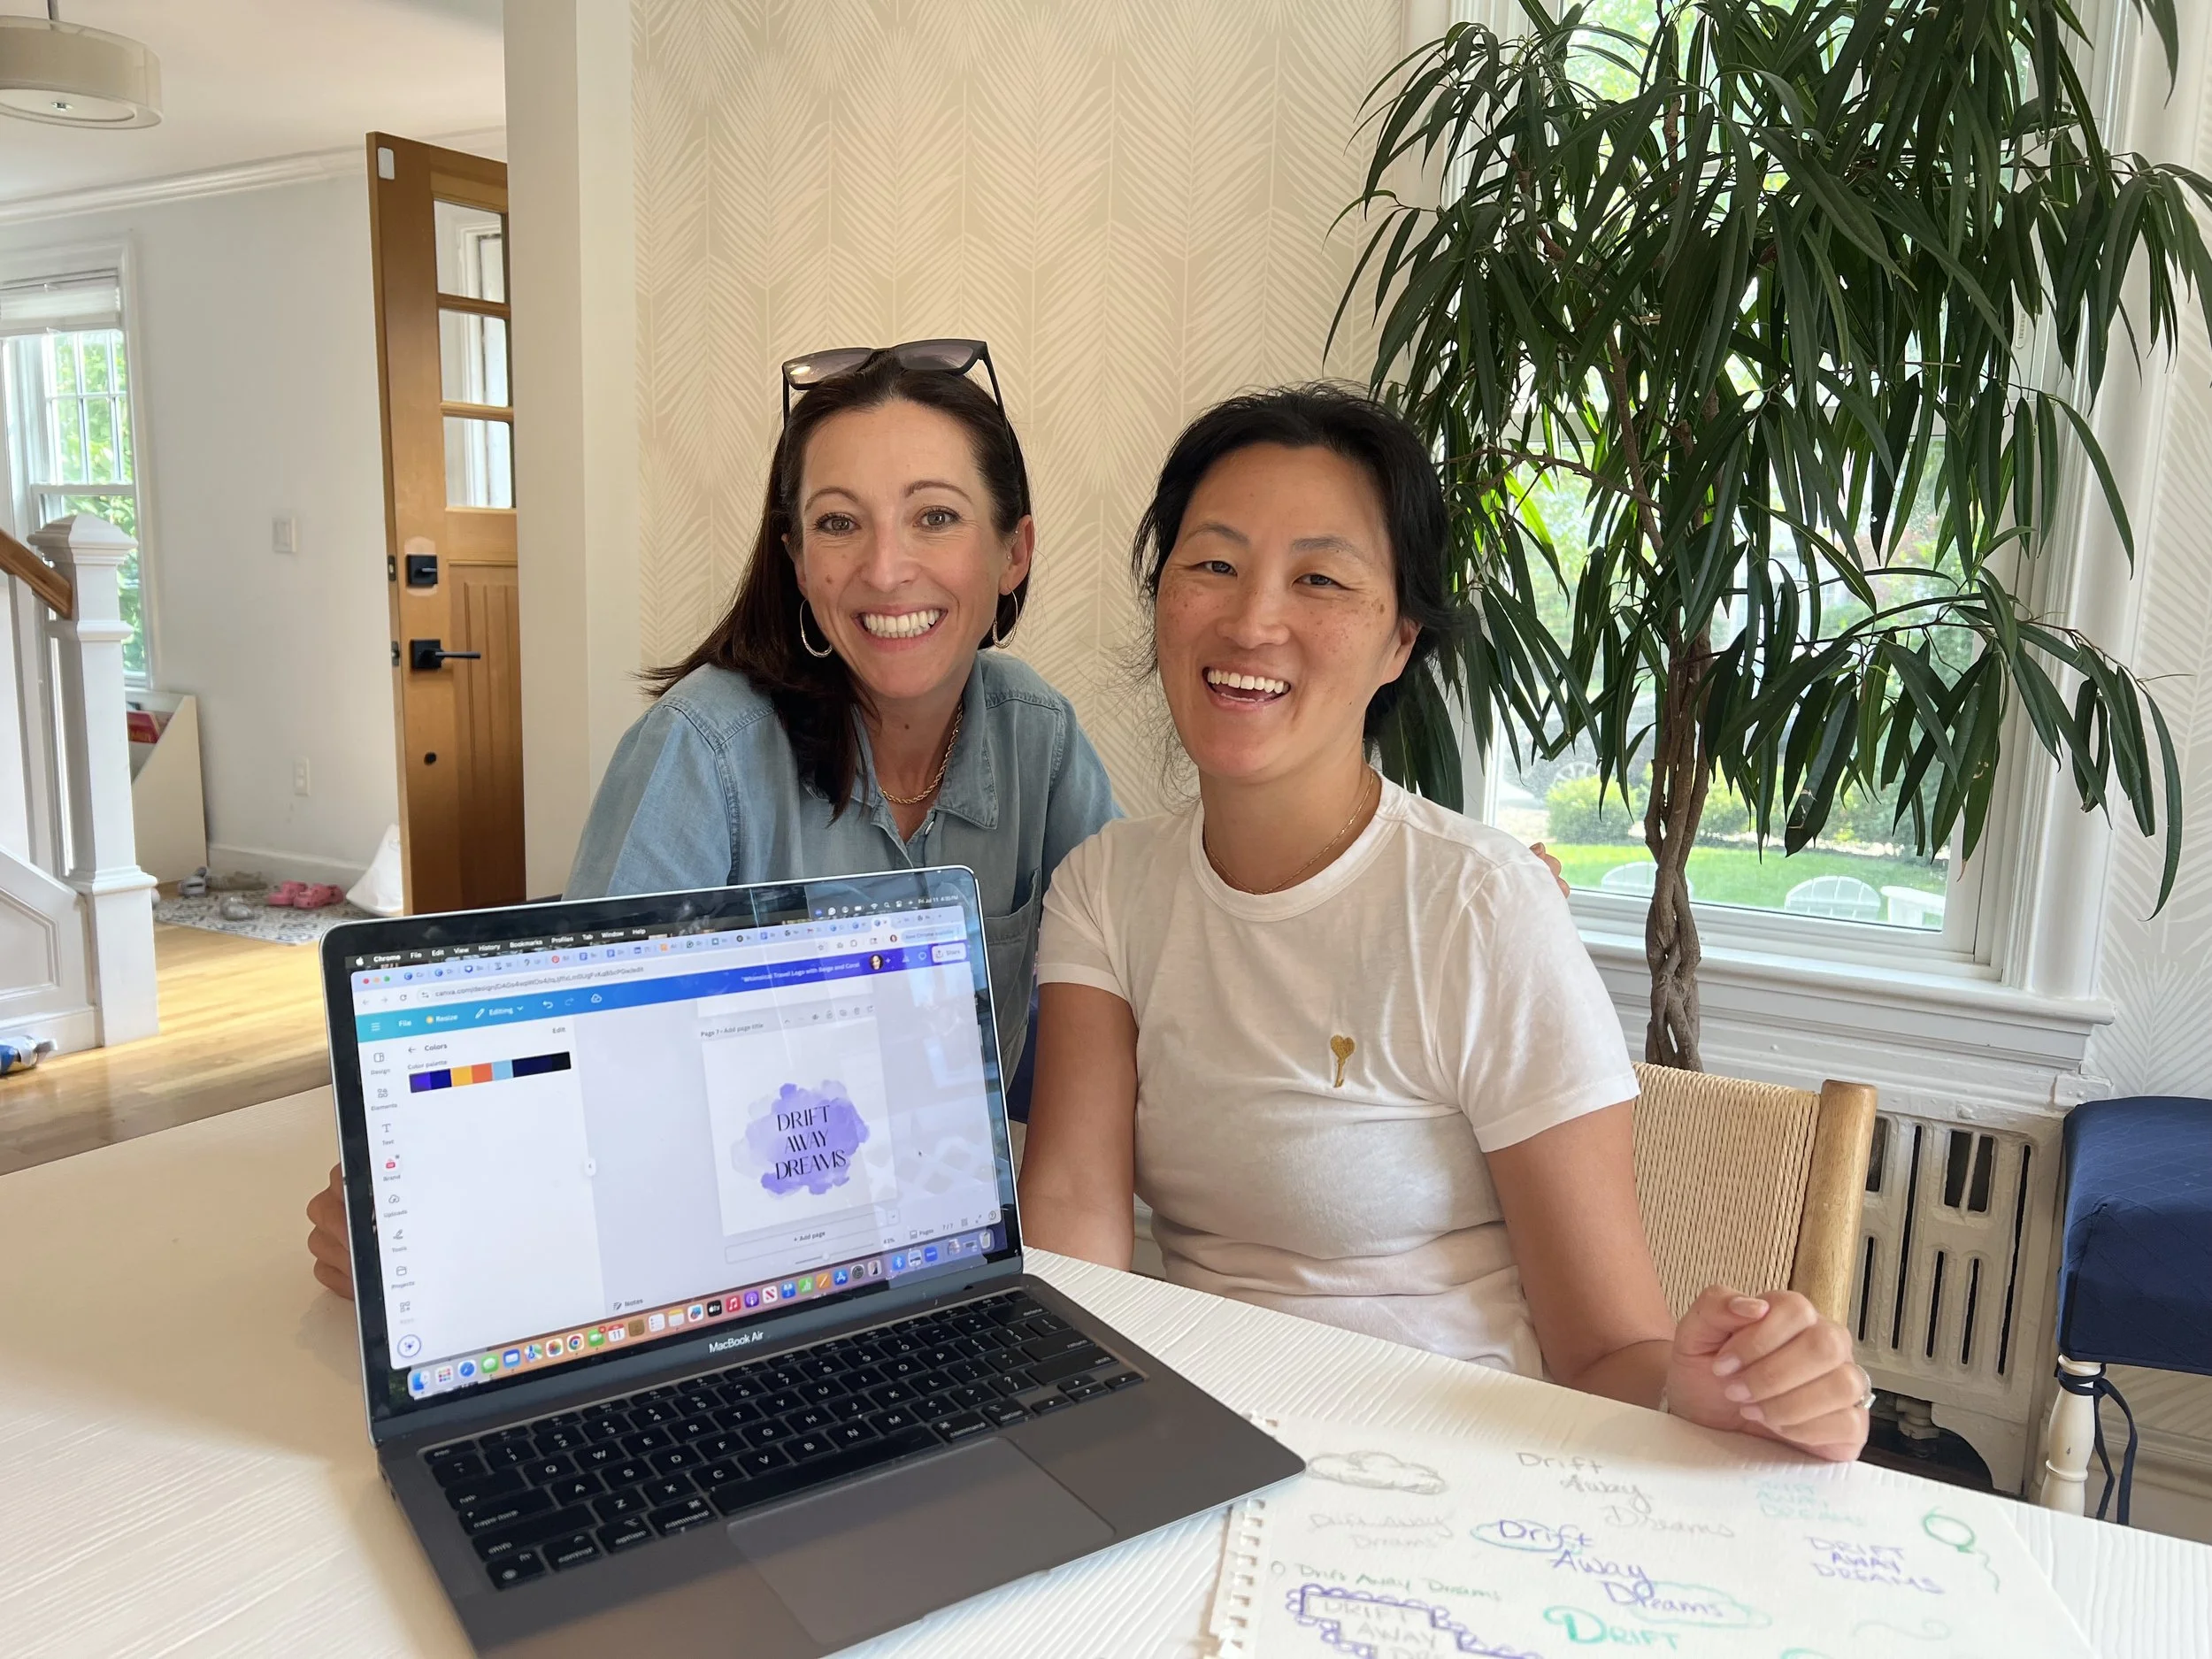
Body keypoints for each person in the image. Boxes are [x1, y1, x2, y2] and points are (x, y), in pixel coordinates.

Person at [1018, 385, 1871, 1462]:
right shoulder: (1104, 890)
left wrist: (1724, 1390)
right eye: (1213, 564)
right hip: (1209, 1446)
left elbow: (1606, 1350)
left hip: (1455, 1468)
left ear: (1397, 645)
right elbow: (1078, 1267)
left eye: (1319, 578)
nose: (1251, 621)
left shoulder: (1479, 905)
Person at [307, 342, 1116, 1298]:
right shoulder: (704, 750)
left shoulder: (1040, 738)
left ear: (1012, 551)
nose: (886, 569)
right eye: (838, 524)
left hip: (943, 1257)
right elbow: (581, 1068)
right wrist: (438, 1225)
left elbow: (1115, 1012)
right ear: (796, 561)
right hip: (715, 1275)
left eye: (935, 516)